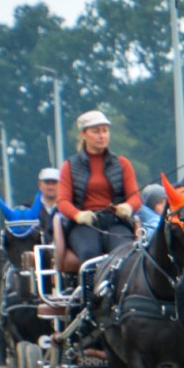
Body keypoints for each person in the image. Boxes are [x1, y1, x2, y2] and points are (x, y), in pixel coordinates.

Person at [57, 109, 142, 268]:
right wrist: (77, 215)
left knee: (124, 253)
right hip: (84, 225)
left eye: (105, 131)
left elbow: (136, 197)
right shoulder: (69, 166)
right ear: (83, 134)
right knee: (90, 253)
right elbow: (62, 201)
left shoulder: (122, 164)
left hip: (115, 222)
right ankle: (90, 284)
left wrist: (128, 207)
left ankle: (117, 284)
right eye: (96, 132)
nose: (102, 136)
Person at [36, 167, 62, 237]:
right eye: (47, 183)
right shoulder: (30, 208)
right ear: (39, 185)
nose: (50, 187)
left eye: (54, 183)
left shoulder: (67, 209)